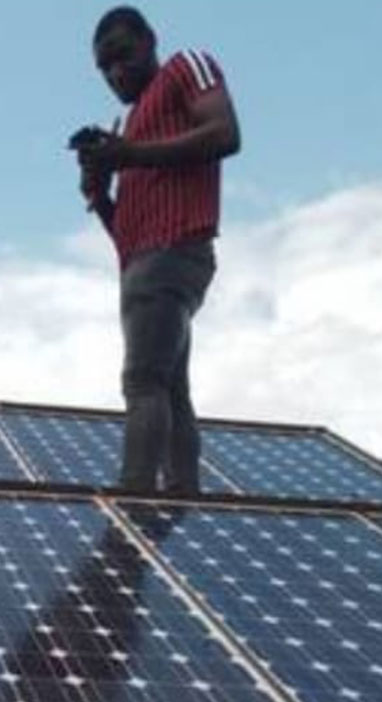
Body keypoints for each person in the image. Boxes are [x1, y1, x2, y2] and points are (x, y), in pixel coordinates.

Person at [72, 6, 240, 493]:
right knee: (169, 387)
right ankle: (181, 495)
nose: (115, 73)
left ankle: (136, 499)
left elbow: (225, 134)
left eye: (123, 56)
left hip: (173, 251)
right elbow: (128, 237)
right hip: (145, 262)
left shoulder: (187, 66)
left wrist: (129, 155)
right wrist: (101, 192)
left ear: (150, 41)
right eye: (104, 68)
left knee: (143, 381)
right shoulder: (133, 125)